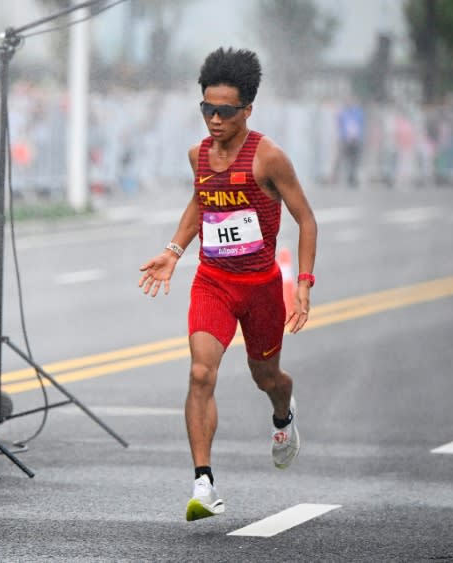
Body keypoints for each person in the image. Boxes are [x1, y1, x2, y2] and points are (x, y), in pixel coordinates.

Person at [138, 47, 317, 522]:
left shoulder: (269, 157)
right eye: (206, 109)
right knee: (201, 372)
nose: (214, 120)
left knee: (267, 379)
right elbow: (201, 203)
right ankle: (204, 483)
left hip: (260, 288)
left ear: (247, 110)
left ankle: (283, 415)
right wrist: (173, 252)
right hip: (213, 282)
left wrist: (303, 283)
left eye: (225, 111)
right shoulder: (198, 154)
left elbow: (306, 219)